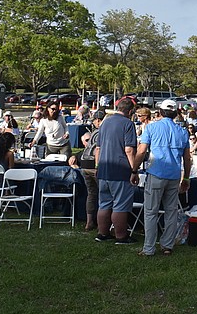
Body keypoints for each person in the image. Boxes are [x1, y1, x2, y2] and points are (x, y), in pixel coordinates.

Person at [132, 99, 190, 256]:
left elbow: (142, 151)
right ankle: (167, 246)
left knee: (151, 212)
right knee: (171, 211)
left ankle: (149, 248)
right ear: (176, 113)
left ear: (161, 112)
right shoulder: (183, 132)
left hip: (156, 173)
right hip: (174, 175)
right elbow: (187, 158)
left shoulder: (151, 128)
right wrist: (186, 178)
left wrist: (134, 170)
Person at [96, 98, 139, 245]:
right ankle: (121, 236)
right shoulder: (128, 124)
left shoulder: (105, 122)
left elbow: (98, 148)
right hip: (120, 169)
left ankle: (102, 233)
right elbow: (129, 149)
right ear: (130, 111)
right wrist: (134, 170)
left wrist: (97, 166)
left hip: (103, 168)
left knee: (104, 203)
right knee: (120, 205)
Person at [77, 109, 106, 232]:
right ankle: (101, 225)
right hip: (94, 164)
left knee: (91, 194)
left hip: (85, 163)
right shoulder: (102, 132)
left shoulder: (94, 132)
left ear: (98, 120)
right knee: (103, 195)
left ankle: (89, 223)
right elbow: (99, 150)